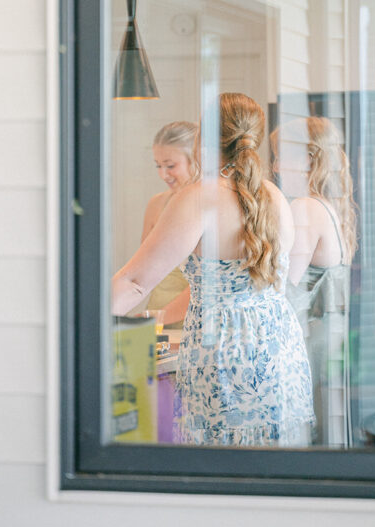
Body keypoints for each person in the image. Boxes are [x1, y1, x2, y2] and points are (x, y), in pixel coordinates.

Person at [112, 92, 315, 446]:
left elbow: (134, 281)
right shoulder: (274, 197)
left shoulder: (200, 198)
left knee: (221, 468)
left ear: (205, 139)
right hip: (278, 347)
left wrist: (81, 326)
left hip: (223, 351)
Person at [272, 116, 357, 448]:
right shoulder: (331, 207)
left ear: (308, 158)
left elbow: (284, 286)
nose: (276, 166)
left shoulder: (305, 208)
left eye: (281, 155)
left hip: (312, 342)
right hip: (332, 338)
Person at [138, 121, 198, 322]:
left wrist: (158, 318)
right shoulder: (156, 204)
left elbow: (205, 284)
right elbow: (142, 272)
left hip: (193, 324)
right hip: (156, 320)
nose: (163, 174)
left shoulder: (214, 209)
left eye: (170, 166)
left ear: (196, 159)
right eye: (158, 165)